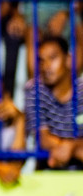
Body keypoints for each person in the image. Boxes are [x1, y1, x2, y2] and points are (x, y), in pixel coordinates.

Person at [27, 35, 83, 169]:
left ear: (68, 60)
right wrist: (75, 149)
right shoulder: (34, 90)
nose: (46, 66)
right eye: (41, 60)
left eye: (52, 58)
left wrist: (72, 147)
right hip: (48, 168)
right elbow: (43, 138)